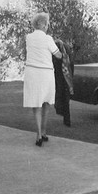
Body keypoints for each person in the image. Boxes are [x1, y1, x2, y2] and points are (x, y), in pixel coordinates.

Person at [23, 12, 62, 147]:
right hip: (45, 74)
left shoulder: (28, 37)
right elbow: (58, 55)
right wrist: (61, 47)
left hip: (32, 73)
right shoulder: (48, 39)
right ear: (44, 25)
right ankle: (44, 132)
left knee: (36, 103)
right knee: (46, 103)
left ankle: (39, 134)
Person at [53, 39, 74, 127]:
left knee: (59, 96)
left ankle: (62, 113)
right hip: (67, 77)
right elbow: (71, 65)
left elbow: (54, 65)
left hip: (59, 77)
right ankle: (67, 120)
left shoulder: (55, 53)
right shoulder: (67, 52)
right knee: (66, 100)